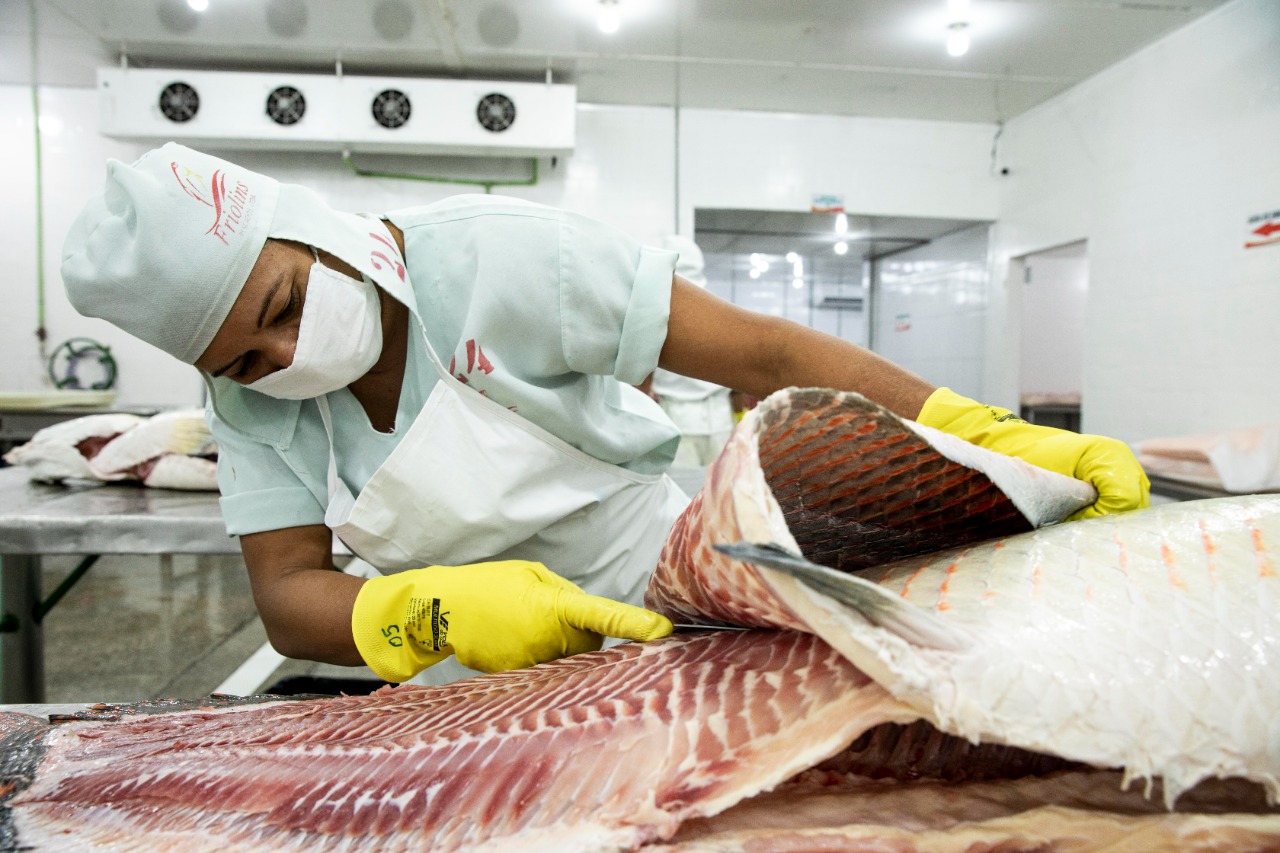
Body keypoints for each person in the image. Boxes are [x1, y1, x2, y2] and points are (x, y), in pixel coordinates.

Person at [61, 144, 1150, 686]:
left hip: (666, 593)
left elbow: (763, 352)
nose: (285, 359)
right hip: (475, 668)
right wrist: (429, 615)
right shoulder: (252, 410)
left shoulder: (493, 257)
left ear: (307, 228)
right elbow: (288, 595)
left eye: (284, 308)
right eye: (244, 361)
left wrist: (983, 433)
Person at [648, 237, 735, 468]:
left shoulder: (655, 309)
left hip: (678, 419)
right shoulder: (719, 309)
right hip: (719, 419)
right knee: (720, 492)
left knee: (682, 494)